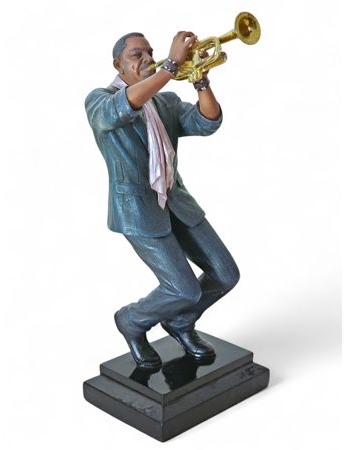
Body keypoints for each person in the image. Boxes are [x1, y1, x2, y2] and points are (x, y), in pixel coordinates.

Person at [84, 31, 240, 368]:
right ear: (118, 64)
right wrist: (170, 66)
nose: (146, 59)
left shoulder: (164, 101)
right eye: (136, 54)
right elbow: (122, 108)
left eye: (150, 52)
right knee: (184, 289)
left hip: (176, 203)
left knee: (226, 274)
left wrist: (200, 80)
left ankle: (181, 322)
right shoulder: (99, 101)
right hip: (137, 210)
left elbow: (206, 122)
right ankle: (132, 321)